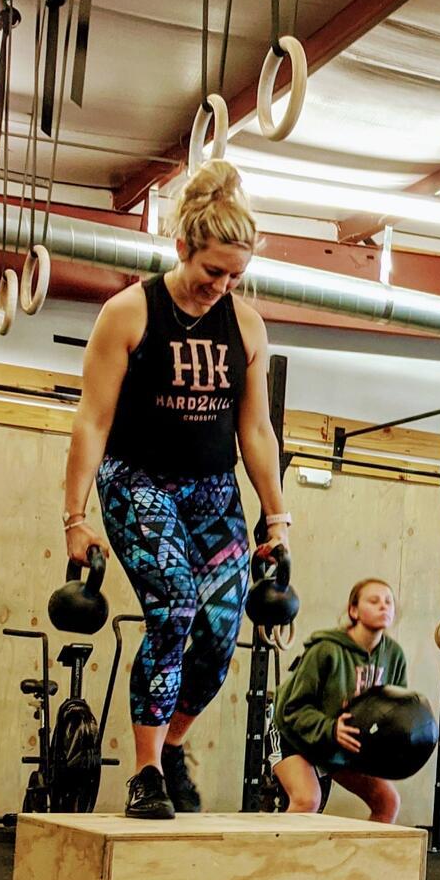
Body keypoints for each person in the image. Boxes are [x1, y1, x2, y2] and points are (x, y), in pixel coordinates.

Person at [62, 160, 288, 821]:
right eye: (212, 270)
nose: (221, 286)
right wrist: (74, 517)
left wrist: (278, 517)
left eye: (235, 276)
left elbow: (257, 429)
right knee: (176, 606)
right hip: (137, 480)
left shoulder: (246, 327)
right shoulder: (129, 313)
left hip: (212, 489)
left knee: (220, 631)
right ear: (183, 245)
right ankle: (146, 772)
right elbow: (92, 420)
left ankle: (174, 742)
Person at [271, 578, 408, 824]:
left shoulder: (394, 655)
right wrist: (331, 728)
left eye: (388, 602)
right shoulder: (326, 650)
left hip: (339, 740)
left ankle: (367, 852)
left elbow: (394, 711)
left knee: (387, 802)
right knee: (307, 800)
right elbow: (292, 708)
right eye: (374, 601)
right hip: (292, 732)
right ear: (354, 611)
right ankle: (278, 850)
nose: (383, 606)